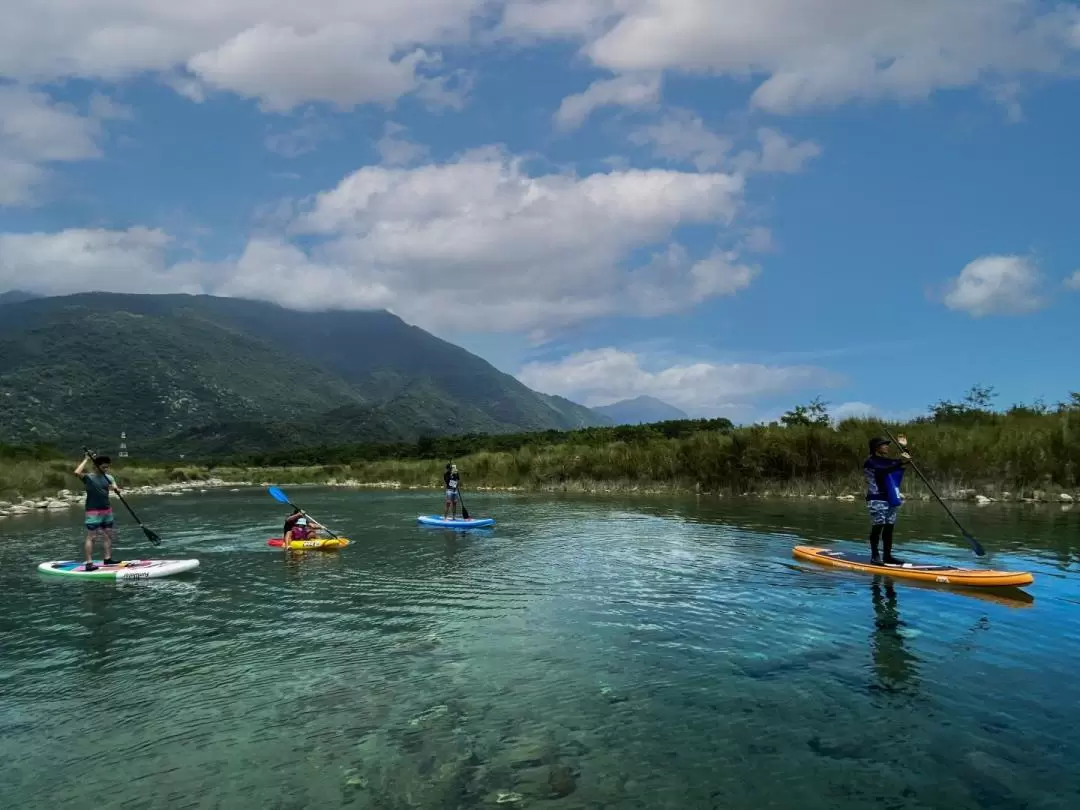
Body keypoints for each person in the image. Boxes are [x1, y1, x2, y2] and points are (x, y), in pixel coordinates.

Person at [863, 436, 912, 565]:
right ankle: (875, 556)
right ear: (876, 448)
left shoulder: (886, 461)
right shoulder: (871, 462)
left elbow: (905, 460)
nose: (887, 447)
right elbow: (882, 470)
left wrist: (904, 448)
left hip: (889, 498)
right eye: (883, 445)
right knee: (878, 526)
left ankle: (887, 556)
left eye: (886, 444)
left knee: (889, 527)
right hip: (876, 498)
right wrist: (900, 462)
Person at [73, 451, 119, 571]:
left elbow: (114, 486)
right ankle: (89, 563)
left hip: (107, 510)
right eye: (103, 467)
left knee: (108, 535)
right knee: (92, 537)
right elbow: (76, 472)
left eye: (107, 467)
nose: (106, 469)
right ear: (96, 466)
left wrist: (115, 488)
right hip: (93, 511)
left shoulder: (109, 477)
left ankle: (108, 559)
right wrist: (87, 459)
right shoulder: (89, 478)